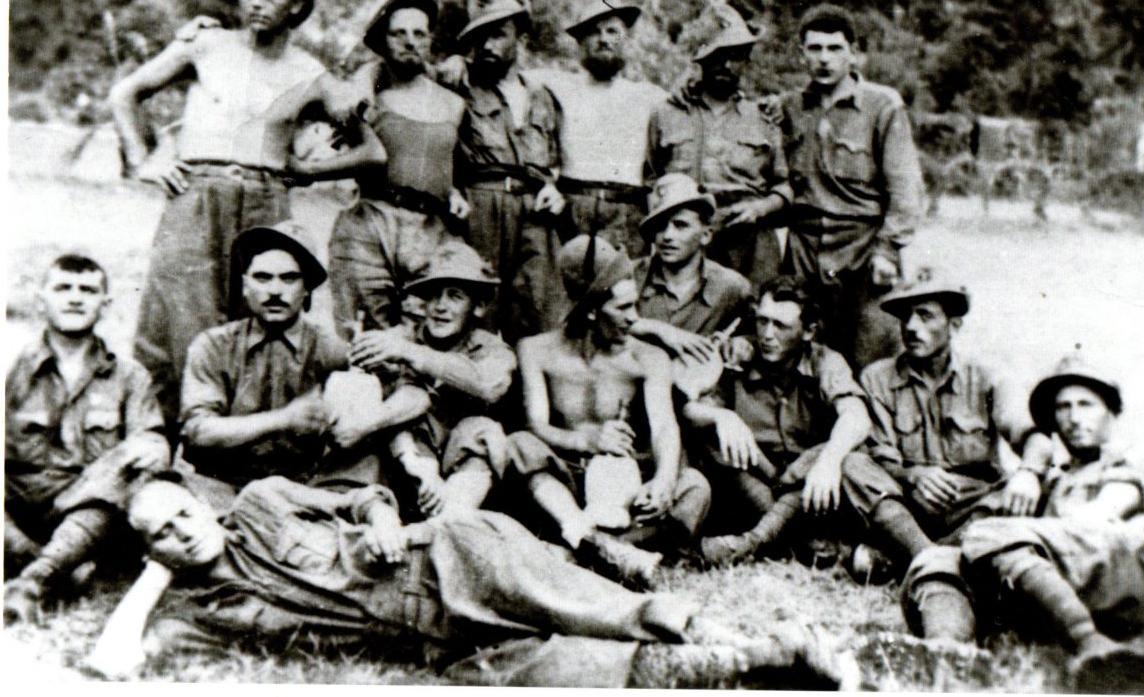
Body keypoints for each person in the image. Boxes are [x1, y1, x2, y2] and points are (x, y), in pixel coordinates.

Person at [81, 474, 859, 689]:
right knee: (566, 671)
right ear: (152, 550)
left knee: (595, 608)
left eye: (182, 512)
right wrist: (155, 574)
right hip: (431, 639)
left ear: (201, 501)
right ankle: (760, 655)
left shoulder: (259, 500)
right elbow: (112, 664)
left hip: (449, 554)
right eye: (161, 533)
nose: (181, 529)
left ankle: (742, 638)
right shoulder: (199, 609)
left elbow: (363, 495)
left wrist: (383, 516)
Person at [109, 0, 333, 425]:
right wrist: (143, 160)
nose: (256, 2)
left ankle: (248, 439)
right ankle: (157, 437)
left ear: (296, 3)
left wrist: (311, 170)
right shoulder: (206, 44)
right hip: (196, 197)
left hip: (267, 202)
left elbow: (365, 138)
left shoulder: (311, 72)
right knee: (175, 320)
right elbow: (125, 94)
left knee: (263, 319)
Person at [900, 354, 1144, 693]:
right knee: (938, 558)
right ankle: (948, 652)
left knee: (990, 535)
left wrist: (1013, 532)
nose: (1074, 418)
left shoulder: (1126, 460)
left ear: (1110, 413)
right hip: (1062, 583)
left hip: (1122, 578)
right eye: (1063, 407)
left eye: (1086, 405)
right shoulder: (1055, 479)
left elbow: (1103, 515)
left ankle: (1092, 644)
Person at [175, 221, 425, 510]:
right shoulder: (214, 346)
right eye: (262, 278)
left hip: (305, 491)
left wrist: (367, 423)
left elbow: (414, 394)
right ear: (245, 286)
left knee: (365, 465)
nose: (275, 290)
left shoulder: (329, 347)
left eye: (289, 278)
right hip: (224, 488)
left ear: (307, 288)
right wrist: (285, 419)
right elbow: (198, 430)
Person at [508, 235, 711, 587]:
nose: (635, 319)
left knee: (696, 486)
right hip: (568, 484)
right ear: (591, 311)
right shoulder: (536, 351)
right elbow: (536, 424)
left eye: (635, 306)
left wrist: (663, 481)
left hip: (627, 485)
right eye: (623, 308)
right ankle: (596, 543)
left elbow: (664, 427)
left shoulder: (648, 358)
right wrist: (586, 440)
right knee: (518, 446)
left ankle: (584, 550)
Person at [681, 276, 899, 568]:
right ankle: (808, 544)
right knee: (713, 441)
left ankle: (755, 542)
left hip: (808, 489)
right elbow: (688, 410)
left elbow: (857, 417)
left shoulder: (824, 361)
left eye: (781, 326)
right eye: (762, 321)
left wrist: (828, 462)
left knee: (844, 451)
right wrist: (722, 416)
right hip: (751, 485)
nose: (767, 335)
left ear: (809, 331)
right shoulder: (738, 355)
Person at [291, 0, 464, 338]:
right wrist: (302, 167)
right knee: (363, 336)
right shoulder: (363, 98)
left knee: (426, 337)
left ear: (430, 40)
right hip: (369, 227)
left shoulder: (454, 103)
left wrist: (456, 191)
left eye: (419, 33)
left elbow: (455, 162)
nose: (410, 42)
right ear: (383, 41)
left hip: (431, 231)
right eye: (399, 33)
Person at [5, 255, 169, 623]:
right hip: (20, 506)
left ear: (105, 304)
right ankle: (58, 567)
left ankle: (33, 580)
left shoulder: (129, 376)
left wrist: (148, 451)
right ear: (41, 300)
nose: (75, 298)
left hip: (94, 510)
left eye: (88, 290)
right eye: (63, 288)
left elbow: (151, 441)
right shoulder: (10, 368)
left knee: (124, 476)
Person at [857, 272, 1050, 579]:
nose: (911, 327)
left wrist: (1028, 473)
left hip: (972, 504)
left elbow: (1034, 436)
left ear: (954, 325)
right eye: (906, 317)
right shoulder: (877, 378)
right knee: (854, 465)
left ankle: (909, 559)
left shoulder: (986, 376)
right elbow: (879, 456)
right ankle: (929, 556)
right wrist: (914, 475)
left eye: (925, 316)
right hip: (908, 504)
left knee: (1038, 488)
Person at [778, 3, 925, 370]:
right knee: (799, 356)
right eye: (815, 48)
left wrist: (887, 250)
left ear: (853, 53)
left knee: (872, 359)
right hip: (804, 251)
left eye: (835, 48)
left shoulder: (882, 106)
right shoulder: (790, 108)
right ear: (801, 54)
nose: (824, 59)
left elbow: (906, 190)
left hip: (863, 251)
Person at [342, 242, 514, 518]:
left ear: (479, 306)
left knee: (481, 429)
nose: (440, 307)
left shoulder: (491, 349)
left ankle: (450, 518)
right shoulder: (400, 339)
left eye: (454, 296)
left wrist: (410, 353)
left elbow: (489, 385)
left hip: (469, 478)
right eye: (434, 296)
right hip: (407, 470)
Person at [441, 0, 567, 340]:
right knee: (476, 312)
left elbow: (555, 160)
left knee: (541, 316)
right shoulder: (459, 82)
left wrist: (553, 188)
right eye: (479, 37)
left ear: (520, 37)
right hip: (482, 208)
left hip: (535, 215)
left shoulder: (543, 97)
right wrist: (449, 188)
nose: (487, 45)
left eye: (497, 34)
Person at [648, 0, 790, 286]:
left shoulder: (763, 117)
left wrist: (758, 209)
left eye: (735, 56)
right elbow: (649, 181)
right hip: (688, 240)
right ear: (701, 59)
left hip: (748, 241)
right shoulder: (667, 113)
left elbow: (784, 187)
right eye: (717, 55)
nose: (726, 64)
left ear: (746, 60)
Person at [526, 0, 669, 257]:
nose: (603, 39)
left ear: (625, 39)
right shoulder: (556, 86)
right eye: (593, 31)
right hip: (571, 211)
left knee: (624, 281)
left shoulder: (651, 97)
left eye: (612, 31)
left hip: (627, 214)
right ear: (579, 41)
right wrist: (460, 62)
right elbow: (505, 78)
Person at [629, 173, 753, 362]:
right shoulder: (630, 276)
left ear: (706, 235)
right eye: (660, 226)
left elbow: (755, 334)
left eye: (680, 225)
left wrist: (741, 344)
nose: (667, 236)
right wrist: (659, 330)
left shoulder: (732, 287)